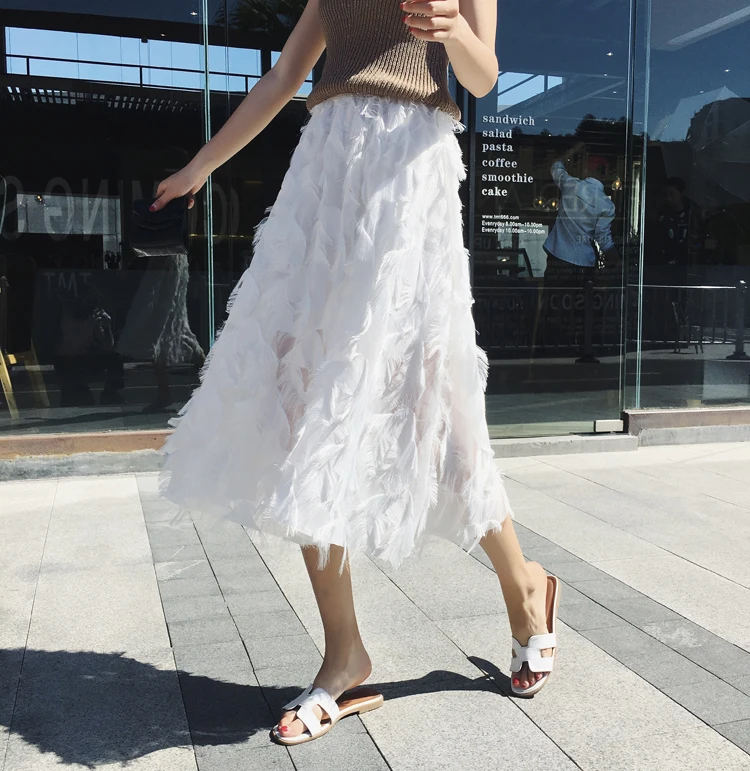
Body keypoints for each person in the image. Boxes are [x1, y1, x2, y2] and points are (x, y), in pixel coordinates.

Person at [153, 0, 561, 745]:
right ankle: (345, 654)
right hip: (326, 178)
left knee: (434, 405)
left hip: (409, 177)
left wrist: (452, 29)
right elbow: (285, 74)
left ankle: (523, 585)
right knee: (301, 400)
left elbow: (483, 76)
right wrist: (200, 166)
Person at [543, 142, 620, 286]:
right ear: (604, 174)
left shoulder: (570, 185)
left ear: (586, 170)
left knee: (553, 298)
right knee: (578, 299)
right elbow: (604, 239)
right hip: (584, 263)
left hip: (558, 258)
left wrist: (572, 150)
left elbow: (555, 166)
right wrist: (617, 262)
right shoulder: (607, 205)